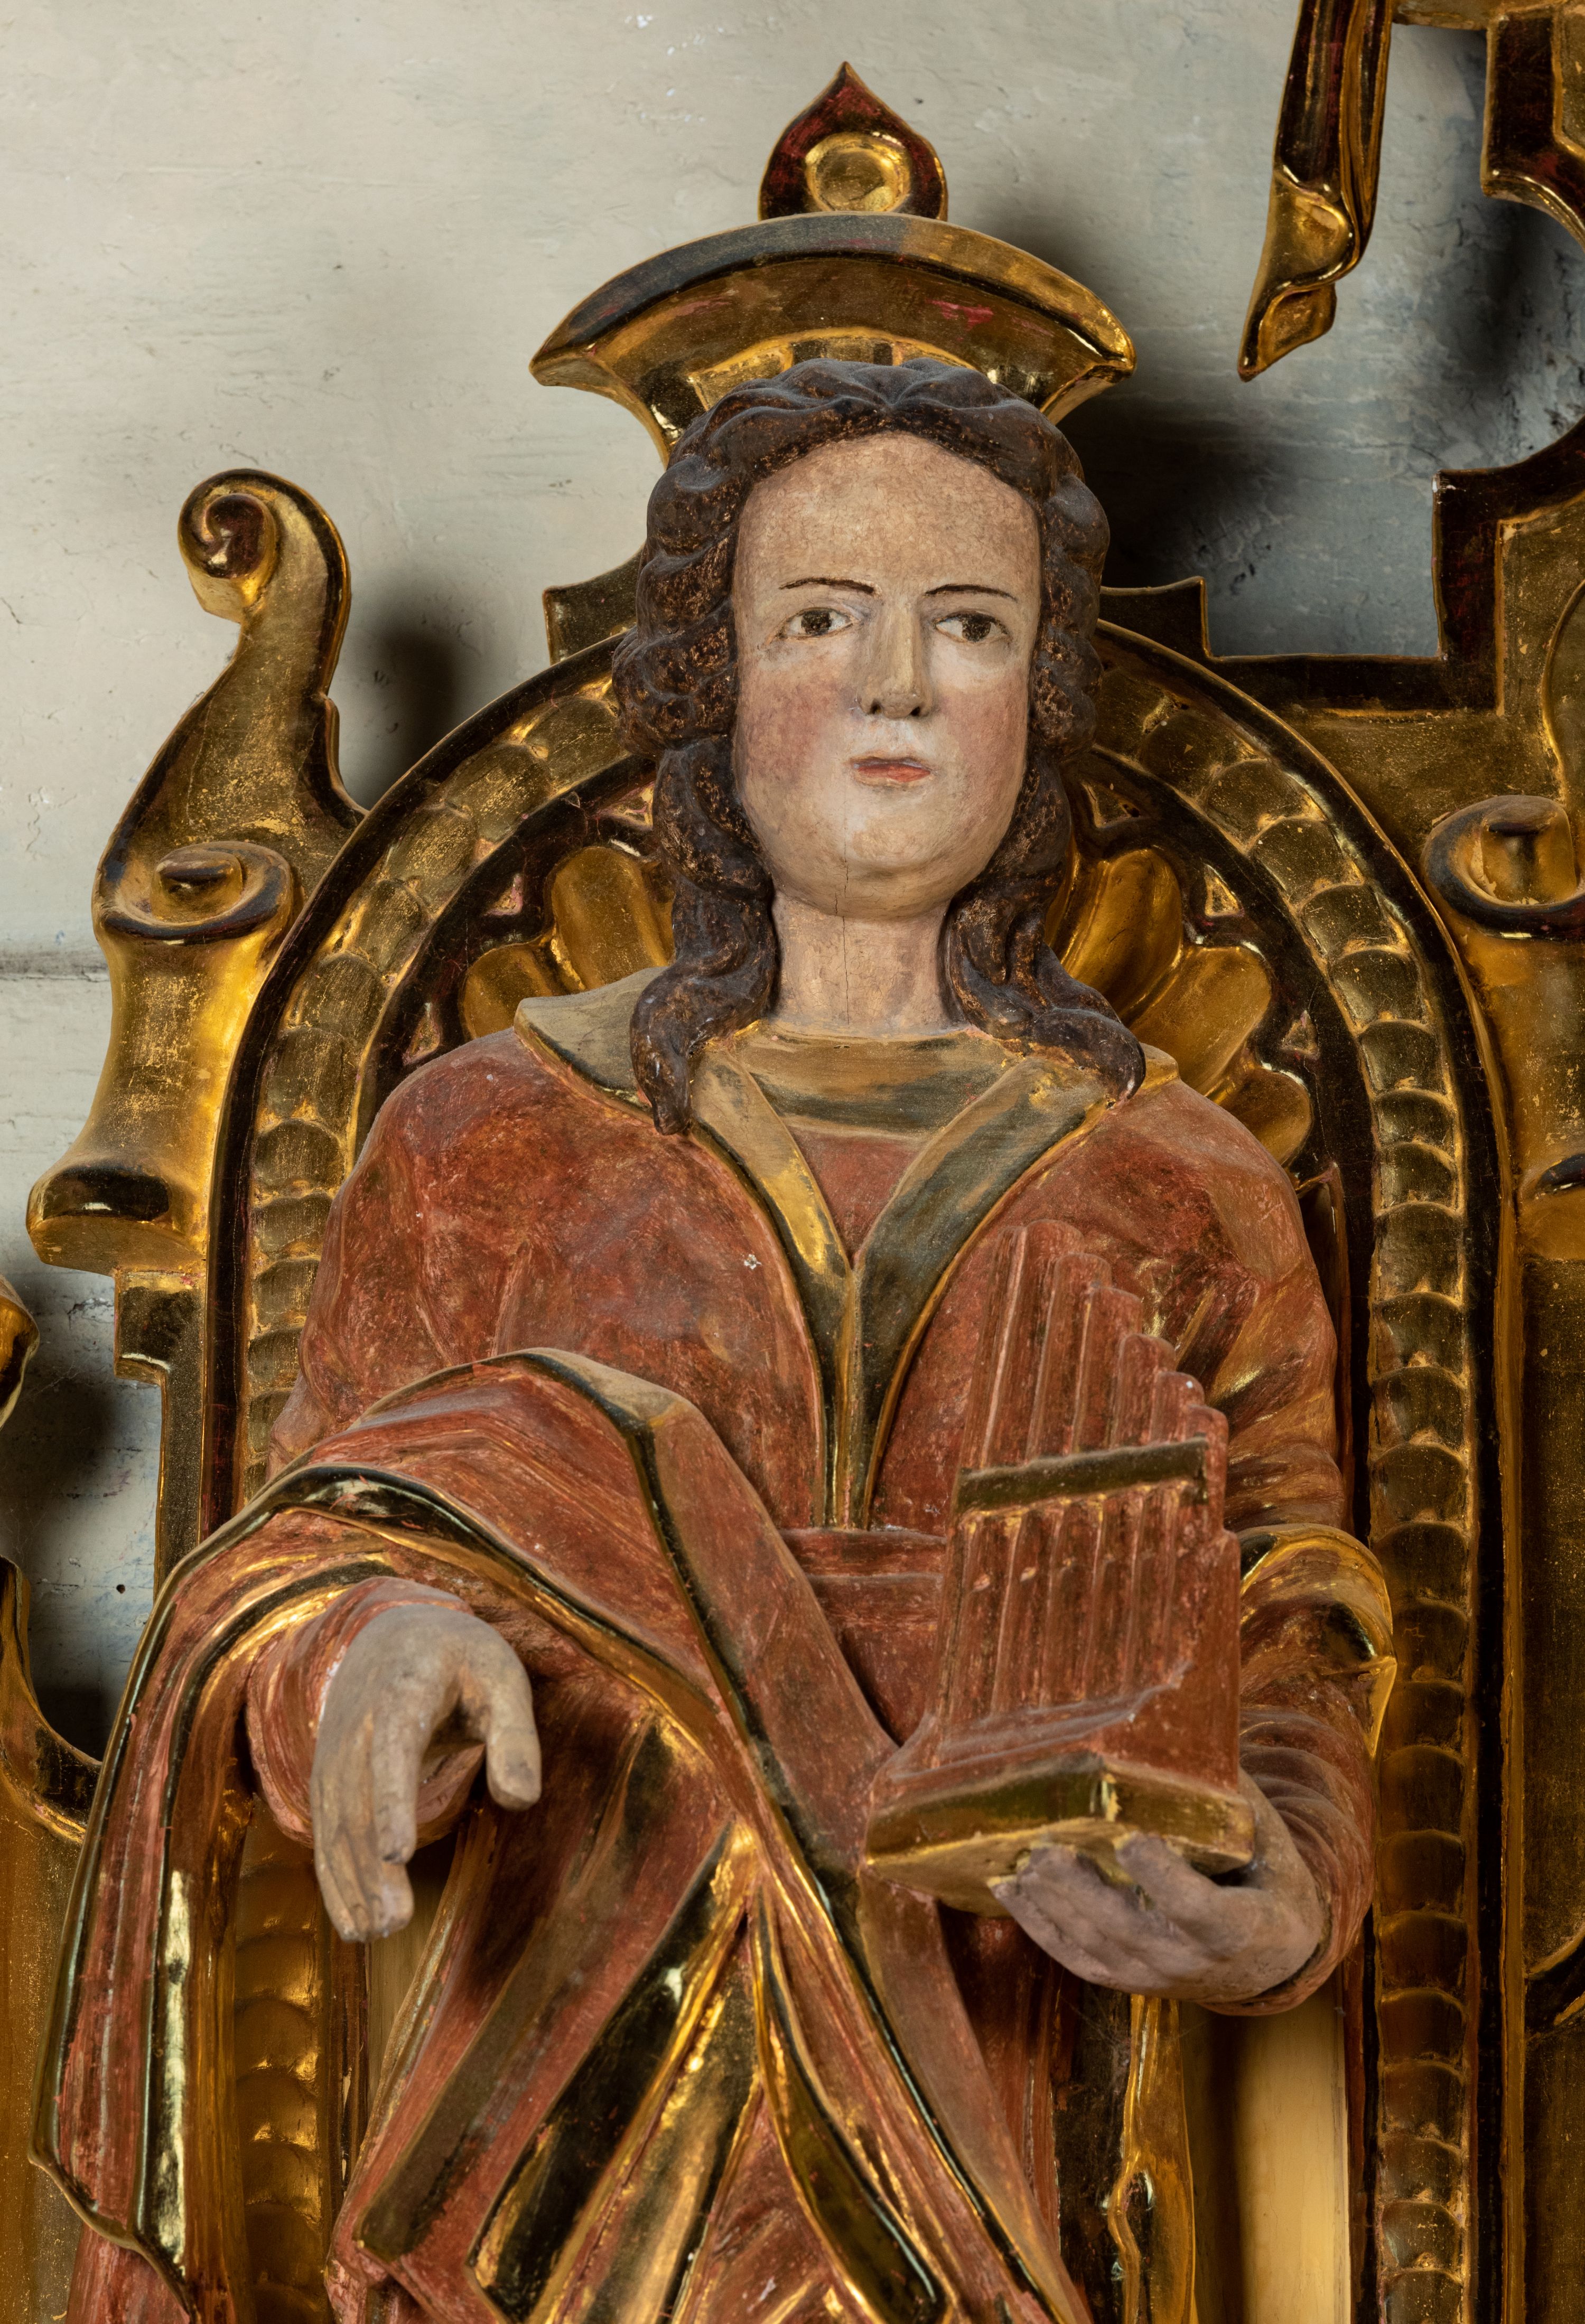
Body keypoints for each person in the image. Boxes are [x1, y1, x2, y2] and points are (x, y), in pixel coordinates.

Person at [43, 360, 1386, 2324]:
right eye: (821, 621)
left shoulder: (1176, 1179)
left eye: (971, 628)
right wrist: (372, 1666)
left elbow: (1291, 1615)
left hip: (1012, 2106)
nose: (898, 686)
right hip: (565, 2124)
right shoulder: (491, 1140)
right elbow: (303, 1563)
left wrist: (1280, 1887)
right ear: (710, 683)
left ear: (1042, 697)